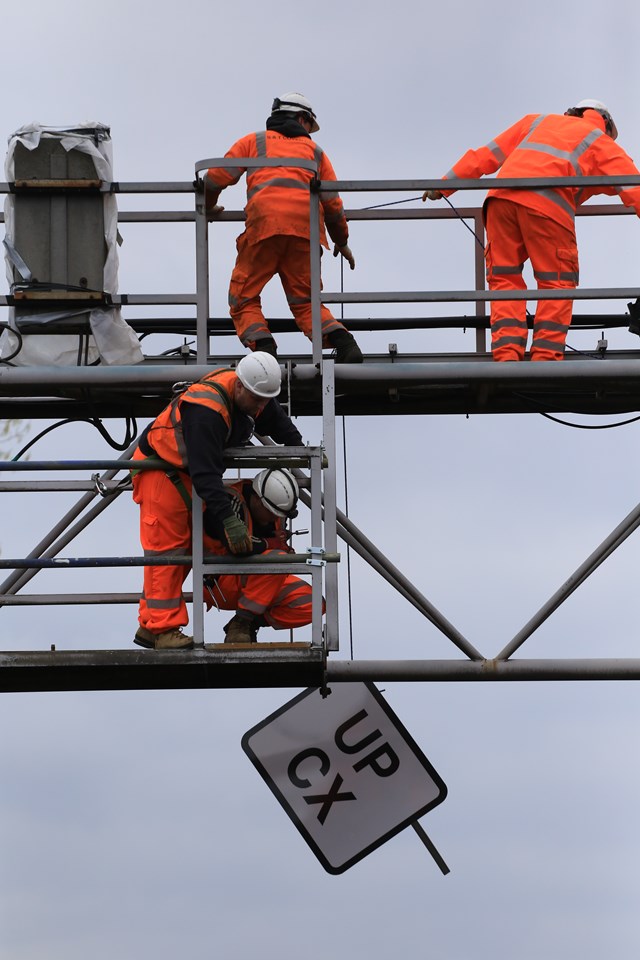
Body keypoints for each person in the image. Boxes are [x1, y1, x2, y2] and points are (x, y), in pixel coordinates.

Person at [423, 100, 640, 361]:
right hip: (547, 209)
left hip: (500, 204)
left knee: (504, 282)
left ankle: (506, 357)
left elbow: (485, 156)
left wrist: (444, 185)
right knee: (556, 284)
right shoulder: (600, 141)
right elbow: (632, 186)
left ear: (572, 112)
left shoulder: (537, 121)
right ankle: (545, 359)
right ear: (604, 124)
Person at [131, 352, 304, 650]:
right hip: (160, 472)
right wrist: (229, 521)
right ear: (240, 388)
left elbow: (272, 416)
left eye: (265, 399)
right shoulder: (206, 411)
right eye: (257, 400)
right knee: (167, 551)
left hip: (180, 473)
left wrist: (299, 447)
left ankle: (151, 624)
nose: (261, 406)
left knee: (180, 549)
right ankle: (163, 628)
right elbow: (206, 475)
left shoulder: (252, 390)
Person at [204, 92, 363, 363]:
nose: (309, 133)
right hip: (305, 237)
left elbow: (214, 178)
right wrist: (342, 240)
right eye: (309, 126)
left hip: (263, 232)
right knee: (307, 304)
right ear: (301, 119)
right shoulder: (316, 153)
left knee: (242, 298)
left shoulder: (253, 142)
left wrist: (207, 207)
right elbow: (333, 203)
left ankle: (265, 351)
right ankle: (345, 342)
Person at [204, 467, 316, 644]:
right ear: (257, 499)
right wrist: (273, 546)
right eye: (271, 512)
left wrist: (283, 551)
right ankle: (242, 622)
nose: (274, 518)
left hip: (261, 582)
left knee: (314, 603)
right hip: (220, 582)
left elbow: (273, 548)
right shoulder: (228, 501)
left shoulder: (274, 511)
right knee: (276, 559)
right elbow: (236, 546)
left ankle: (246, 622)